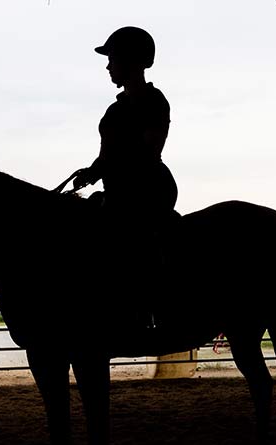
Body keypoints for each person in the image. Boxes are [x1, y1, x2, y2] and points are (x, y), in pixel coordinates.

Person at [72, 26, 179, 328]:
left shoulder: (154, 101)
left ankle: (150, 310)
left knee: (134, 237)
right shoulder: (113, 110)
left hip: (148, 189)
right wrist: (92, 173)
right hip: (118, 189)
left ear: (132, 62)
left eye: (113, 59)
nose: (108, 66)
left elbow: (148, 149)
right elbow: (107, 155)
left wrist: (106, 167)